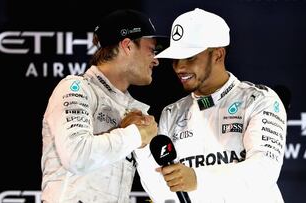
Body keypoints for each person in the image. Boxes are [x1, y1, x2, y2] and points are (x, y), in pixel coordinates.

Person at [135, 8, 287, 203]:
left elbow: (263, 172)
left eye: (190, 57)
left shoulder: (259, 100)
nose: (180, 67)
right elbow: (161, 193)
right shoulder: (172, 113)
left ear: (218, 54)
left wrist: (197, 179)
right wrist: (141, 147)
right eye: (175, 59)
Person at [40, 9, 165, 203]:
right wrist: (135, 135)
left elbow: (158, 187)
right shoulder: (76, 88)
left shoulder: (136, 112)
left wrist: (140, 142)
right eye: (151, 50)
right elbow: (77, 157)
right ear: (128, 46)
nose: (156, 60)